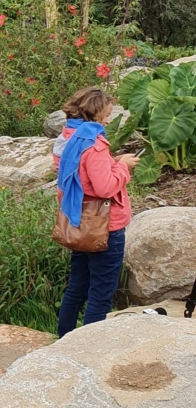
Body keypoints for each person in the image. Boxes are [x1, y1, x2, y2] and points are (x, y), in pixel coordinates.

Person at [54, 87, 140, 337]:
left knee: (76, 288)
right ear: (94, 113)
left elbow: (82, 174)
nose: (109, 119)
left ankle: (64, 341)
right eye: (107, 114)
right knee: (101, 294)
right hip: (104, 227)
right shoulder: (93, 144)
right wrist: (122, 168)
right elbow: (104, 188)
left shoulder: (68, 138)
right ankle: (88, 350)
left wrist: (111, 163)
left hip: (78, 221)